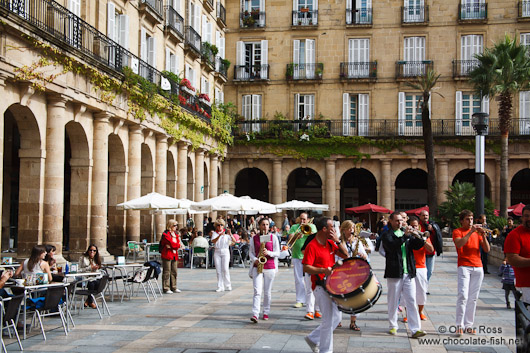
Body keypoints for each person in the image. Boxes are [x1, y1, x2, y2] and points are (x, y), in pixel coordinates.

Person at [302, 217, 348, 353]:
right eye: (332, 227)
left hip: (332, 285)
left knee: (337, 317)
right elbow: (306, 267)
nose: (334, 229)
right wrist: (322, 270)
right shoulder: (312, 246)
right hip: (320, 286)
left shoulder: (330, 243)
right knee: (328, 320)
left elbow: (346, 255)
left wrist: (337, 241)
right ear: (324, 229)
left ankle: (313, 338)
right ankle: (325, 350)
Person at [381, 212, 426, 338]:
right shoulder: (387, 234)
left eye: (401, 220)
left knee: (411, 300)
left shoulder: (406, 234)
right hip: (394, 272)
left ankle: (416, 329)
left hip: (408, 272)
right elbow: (391, 247)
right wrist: (405, 236)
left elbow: (416, 247)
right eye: (396, 221)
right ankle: (393, 326)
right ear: (390, 221)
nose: (399, 223)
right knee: (393, 301)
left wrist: (419, 237)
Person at [452, 209, 490, 335]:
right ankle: (459, 325)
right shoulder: (457, 231)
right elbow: (459, 244)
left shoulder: (478, 233)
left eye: (472, 219)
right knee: (463, 295)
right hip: (464, 266)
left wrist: (483, 236)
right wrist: (470, 232)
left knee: (473, 298)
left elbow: (487, 249)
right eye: (467, 219)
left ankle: (469, 324)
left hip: (478, 266)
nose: (470, 221)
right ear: (462, 220)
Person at [249, 218, 280, 322]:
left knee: (267, 292)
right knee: (257, 291)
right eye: (263, 224)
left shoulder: (273, 237)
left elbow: (278, 253)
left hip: (270, 266)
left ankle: (266, 312)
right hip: (258, 266)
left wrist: (269, 253)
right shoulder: (254, 238)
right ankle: (255, 313)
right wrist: (255, 260)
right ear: (259, 225)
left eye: (267, 224)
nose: (265, 227)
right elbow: (251, 252)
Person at [339, 220, 368, 331]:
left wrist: (363, 255)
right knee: (340, 298)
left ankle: (353, 322)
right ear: (344, 229)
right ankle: (338, 320)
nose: (352, 231)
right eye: (349, 228)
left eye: (353, 228)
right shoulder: (339, 242)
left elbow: (365, 256)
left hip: (355, 272)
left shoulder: (357, 242)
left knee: (356, 298)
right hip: (342, 272)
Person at [288, 212, 317, 315]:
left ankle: (312, 302)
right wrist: (296, 235)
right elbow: (290, 240)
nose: (302, 221)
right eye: (301, 219)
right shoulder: (295, 227)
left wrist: (305, 232)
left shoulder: (312, 226)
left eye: (304, 219)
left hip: (309, 257)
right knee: (298, 279)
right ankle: (300, 300)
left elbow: (315, 237)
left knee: (309, 280)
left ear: (308, 220)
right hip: (297, 255)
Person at [409, 216, 434, 321]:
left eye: (416, 226)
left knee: (422, 291)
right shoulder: (406, 236)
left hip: (421, 267)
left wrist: (422, 240)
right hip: (410, 267)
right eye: (412, 226)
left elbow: (431, 250)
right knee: (408, 293)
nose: (415, 228)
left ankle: (420, 312)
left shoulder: (423, 236)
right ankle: (408, 314)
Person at [504, 204, 530, 304]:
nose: (529, 219)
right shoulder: (514, 235)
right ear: (522, 217)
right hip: (526, 286)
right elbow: (512, 259)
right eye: (527, 216)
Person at [419, 209, 443, 293]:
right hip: (421, 252)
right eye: (423, 215)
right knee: (423, 271)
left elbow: (438, 236)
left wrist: (433, 230)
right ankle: (422, 288)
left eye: (426, 215)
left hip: (431, 252)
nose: (425, 217)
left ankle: (425, 286)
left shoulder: (433, 225)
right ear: (420, 216)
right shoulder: (418, 225)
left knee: (429, 272)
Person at [211, 219, 236, 292]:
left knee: (225, 268)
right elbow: (213, 241)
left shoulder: (226, 234)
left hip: (225, 251)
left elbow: (234, 241)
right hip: (217, 251)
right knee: (218, 270)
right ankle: (220, 286)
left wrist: (230, 234)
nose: (220, 227)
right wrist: (219, 236)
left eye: (221, 225)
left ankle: (228, 284)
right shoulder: (215, 233)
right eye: (218, 225)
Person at [160, 220, 182, 294]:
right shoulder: (165, 234)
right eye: (174, 225)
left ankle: (174, 286)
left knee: (174, 271)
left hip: (174, 254)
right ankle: (166, 287)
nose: (176, 227)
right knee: (167, 271)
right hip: (167, 254)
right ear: (170, 225)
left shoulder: (175, 234)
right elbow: (170, 243)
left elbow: (178, 244)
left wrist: (174, 246)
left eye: (176, 225)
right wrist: (174, 245)